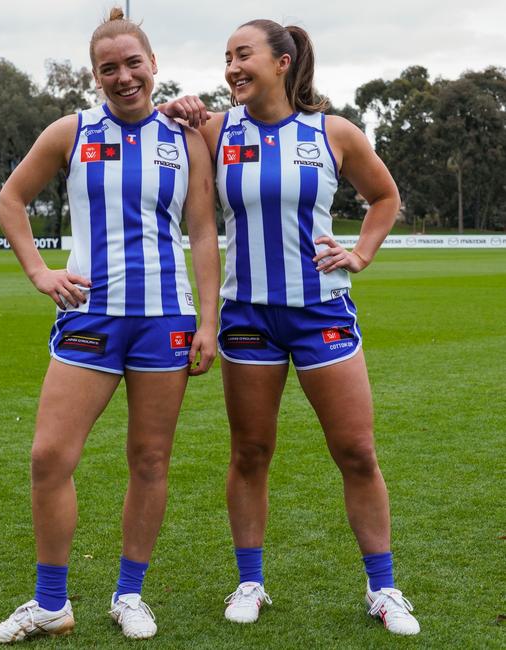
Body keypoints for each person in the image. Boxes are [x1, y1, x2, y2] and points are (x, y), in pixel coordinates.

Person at [159, 19, 420, 636]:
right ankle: (250, 580)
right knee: (250, 453)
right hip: (247, 316)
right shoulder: (217, 131)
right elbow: (161, 127)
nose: (231, 68)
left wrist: (360, 252)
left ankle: (383, 589)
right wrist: (175, 106)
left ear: (282, 62)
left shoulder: (333, 132)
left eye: (243, 55)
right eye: (226, 58)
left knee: (356, 451)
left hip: (321, 313)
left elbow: (385, 197)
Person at [0, 7, 219, 643]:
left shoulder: (184, 137)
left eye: (133, 63)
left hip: (165, 319)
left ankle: (130, 593)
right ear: (94, 76)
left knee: (149, 458)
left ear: (154, 65)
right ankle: (51, 602)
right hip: (89, 317)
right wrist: (38, 272)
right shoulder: (72, 131)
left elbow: (201, 232)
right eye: (108, 68)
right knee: (49, 457)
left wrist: (208, 320)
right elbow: (10, 200)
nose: (123, 77)